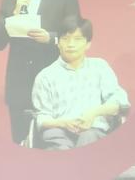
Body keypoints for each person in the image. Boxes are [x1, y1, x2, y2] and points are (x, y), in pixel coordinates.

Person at [0, 0, 80, 143]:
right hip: (19, 87)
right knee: (22, 144)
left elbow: (75, 36)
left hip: (55, 83)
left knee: (57, 143)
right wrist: (13, 14)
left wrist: (51, 38)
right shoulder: (10, 1)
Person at [32, 18, 129, 149]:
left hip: (93, 131)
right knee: (59, 146)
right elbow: (42, 117)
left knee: (88, 138)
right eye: (65, 39)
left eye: (77, 39)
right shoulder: (45, 76)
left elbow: (120, 102)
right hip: (58, 132)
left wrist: (94, 113)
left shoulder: (99, 67)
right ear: (58, 43)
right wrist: (63, 123)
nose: (71, 44)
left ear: (88, 44)